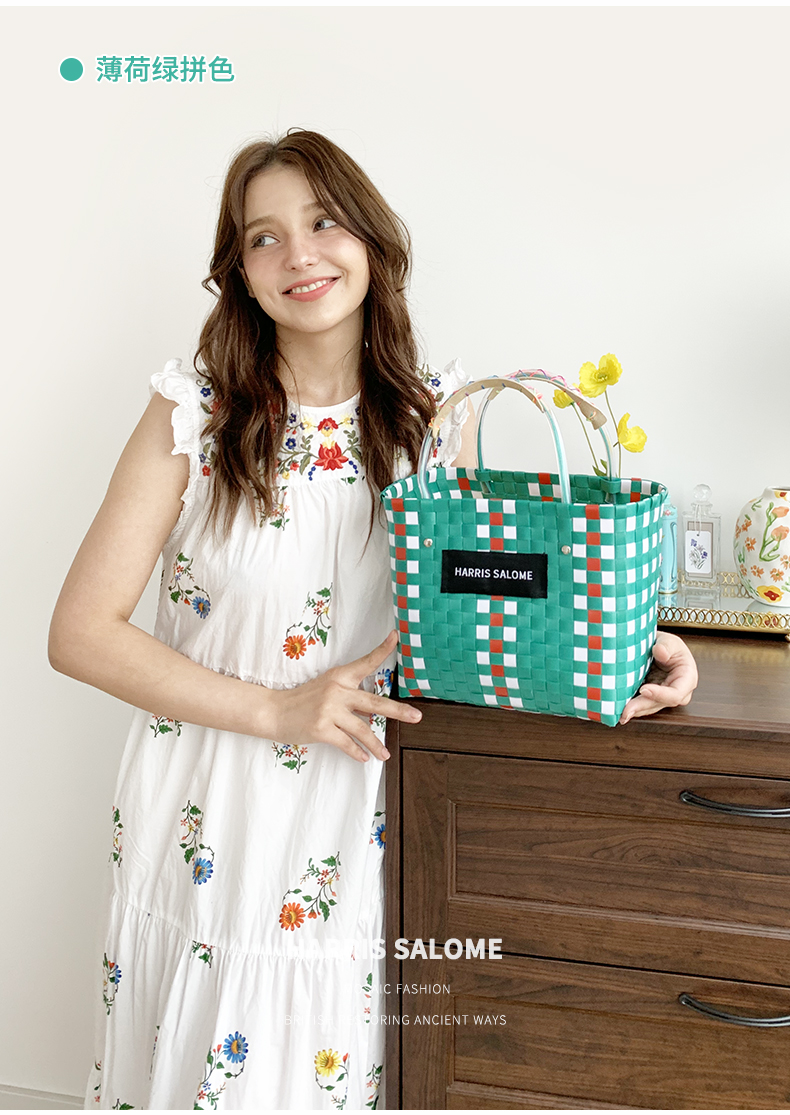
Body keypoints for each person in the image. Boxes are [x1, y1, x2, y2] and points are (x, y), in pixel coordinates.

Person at [49, 129, 698, 1111]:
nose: (298, 254)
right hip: (215, 809)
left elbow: (496, 603)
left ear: (371, 240)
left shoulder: (440, 418)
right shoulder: (195, 413)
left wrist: (637, 641)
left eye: (323, 222)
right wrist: (280, 710)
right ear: (239, 272)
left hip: (371, 809)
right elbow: (81, 631)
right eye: (263, 237)